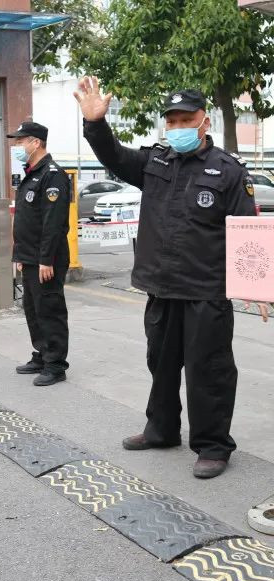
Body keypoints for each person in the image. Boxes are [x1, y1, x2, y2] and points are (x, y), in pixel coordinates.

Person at [75, 78, 258, 479]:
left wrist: (257, 286)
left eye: (185, 120)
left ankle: (213, 445)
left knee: (208, 370)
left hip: (206, 291)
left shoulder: (228, 170)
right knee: (160, 363)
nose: (177, 127)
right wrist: (96, 124)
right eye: (171, 121)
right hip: (161, 286)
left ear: (204, 121)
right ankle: (161, 429)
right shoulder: (155, 162)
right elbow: (114, 155)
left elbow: (247, 231)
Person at [9, 121, 71, 387]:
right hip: (30, 256)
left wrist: (46, 259)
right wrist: (20, 256)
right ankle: (42, 354)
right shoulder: (32, 173)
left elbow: (53, 222)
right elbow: (26, 219)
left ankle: (55, 364)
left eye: (20, 141)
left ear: (36, 143)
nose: (16, 146)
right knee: (33, 309)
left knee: (49, 310)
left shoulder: (52, 175)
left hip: (46, 258)